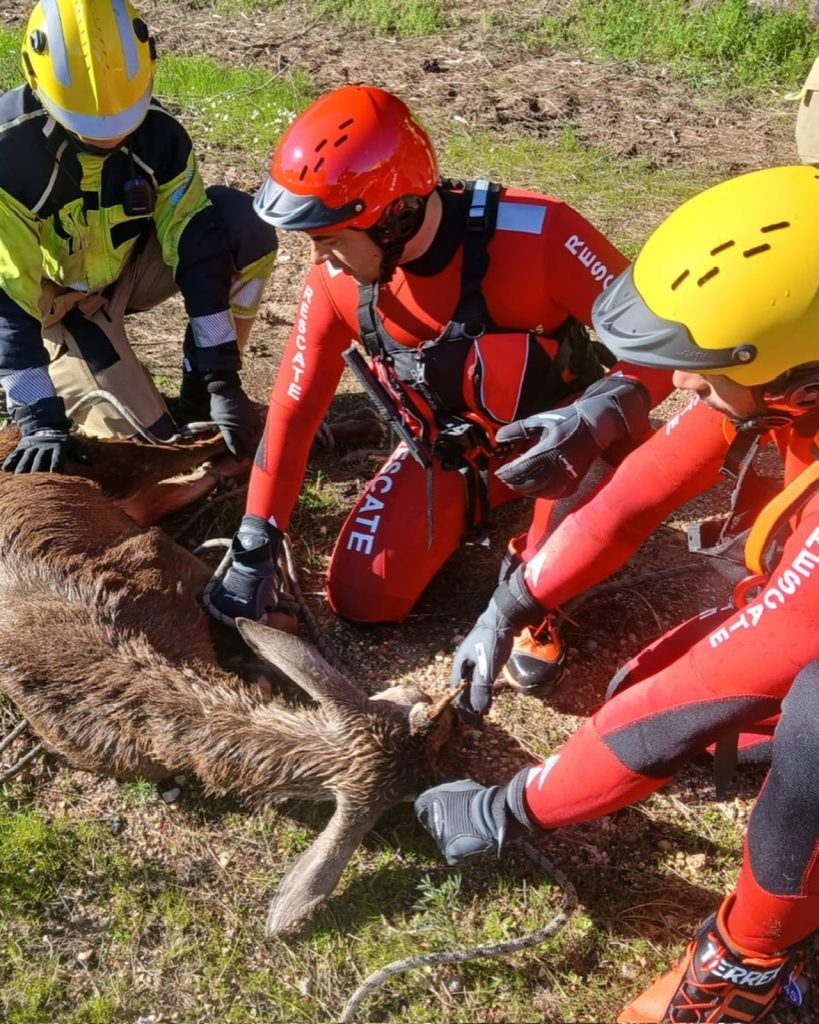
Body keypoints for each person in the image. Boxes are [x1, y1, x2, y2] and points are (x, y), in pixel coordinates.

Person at [415, 164, 819, 1022]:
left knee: (813, 717)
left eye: (704, 374)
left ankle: (746, 967)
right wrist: (512, 602)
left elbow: (701, 693)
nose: (683, 388)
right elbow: (638, 497)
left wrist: (512, 804)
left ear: (795, 384)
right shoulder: (792, 377)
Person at [203, 83, 670, 683]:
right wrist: (254, 541)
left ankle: (542, 582)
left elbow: (658, 352)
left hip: (568, 443)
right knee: (361, 597)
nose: (320, 260)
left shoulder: (541, 234)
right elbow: (293, 412)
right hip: (452, 450)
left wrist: (596, 419)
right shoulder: (336, 282)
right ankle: (491, 504)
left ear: (396, 216)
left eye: (330, 239)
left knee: (556, 514)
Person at [0, 0, 278, 474]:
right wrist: (39, 415)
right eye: (87, 130)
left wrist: (220, 380)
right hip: (52, 305)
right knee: (154, 452)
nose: (108, 139)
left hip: (129, 271)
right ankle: (65, 371)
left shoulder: (161, 137)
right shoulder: (8, 154)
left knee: (242, 228)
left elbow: (198, 247)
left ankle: (198, 390)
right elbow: (8, 296)